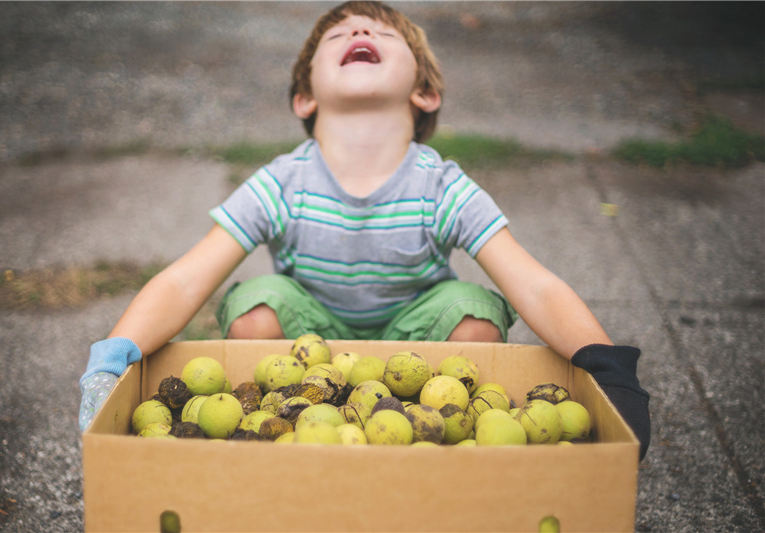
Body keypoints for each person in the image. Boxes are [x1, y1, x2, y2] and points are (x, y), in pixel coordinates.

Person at [79, 1, 649, 459]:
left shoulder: (440, 186)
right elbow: (186, 280)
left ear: (424, 92)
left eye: (382, 32)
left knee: (476, 319)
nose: (357, 26)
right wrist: (114, 354)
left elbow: (534, 283)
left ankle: (438, 465)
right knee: (257, 311)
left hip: (418, 359)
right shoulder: (283, 181)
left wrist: (605, 364)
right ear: (305, 97)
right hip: (306, 361)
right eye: (338, 34)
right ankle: (277, 454)